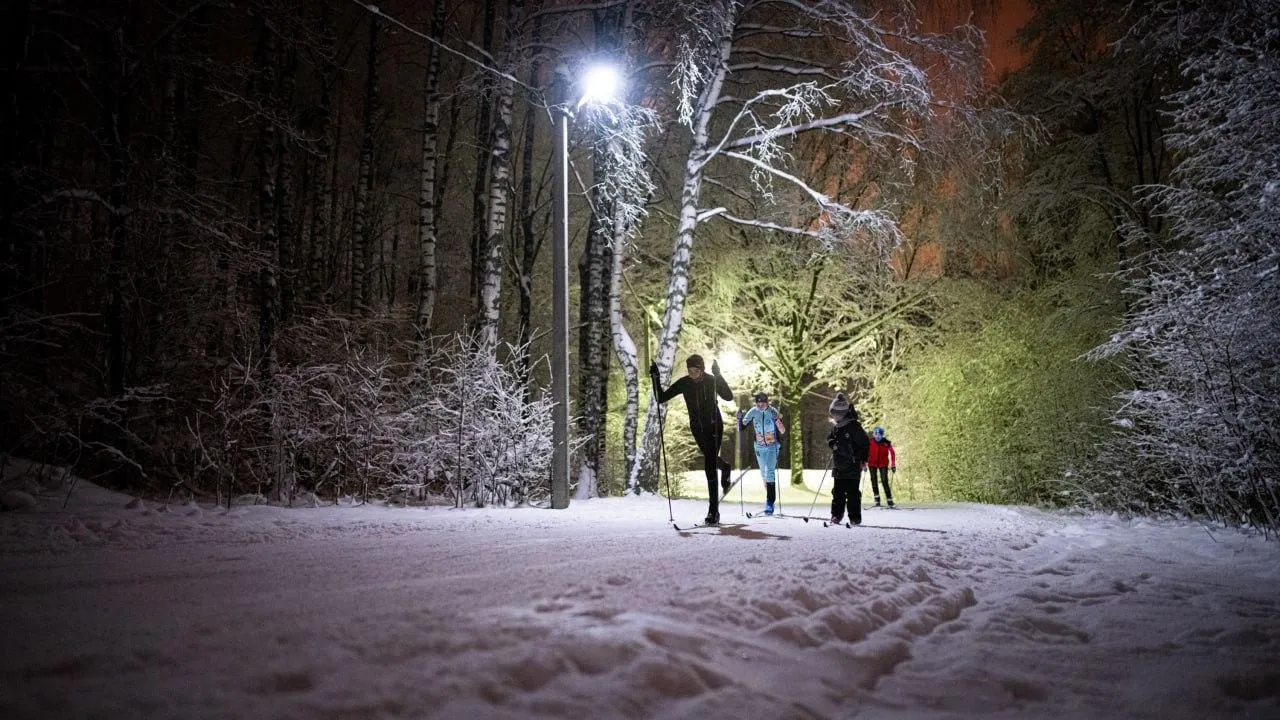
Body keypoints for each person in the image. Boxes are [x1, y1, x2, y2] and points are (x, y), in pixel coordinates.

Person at [650, 354, 734, 524]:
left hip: (713, 425)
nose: (692, 373)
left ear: (702, 369)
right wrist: (655, 378)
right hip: (697, 428)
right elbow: (661, 398)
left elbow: (728, 396)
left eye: (695, 370)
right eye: (689, 370)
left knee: (709, 465)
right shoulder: (684, 383)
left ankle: (713, 512)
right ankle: (725, 467)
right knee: (711, 459)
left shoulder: (712, 381)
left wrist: (719, 375)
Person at [737, 392, 787, 515]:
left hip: (772, 446)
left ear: (767, 402)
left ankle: (770, 503)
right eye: (758, 403)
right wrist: (739, 418)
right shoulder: (753, 411)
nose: (760, 406)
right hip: (759, 447)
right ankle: (769, 497)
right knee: (764, 474)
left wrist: (778, 420)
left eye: (763, 403)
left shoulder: (772, 411)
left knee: (770, 472)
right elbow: (741, 427)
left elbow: (782, 431)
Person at [826, 392, 869, 526]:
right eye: (833, 414)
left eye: (836, 414)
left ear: (842, 413)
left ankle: (854, 518)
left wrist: (863, 459)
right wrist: (832, 443)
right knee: (837, 493)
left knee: (853, 494)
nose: (834, 417)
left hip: (853, 466)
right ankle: (836, 515)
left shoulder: (854, 426)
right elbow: (830, 438)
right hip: (839, 467)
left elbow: (865, 444)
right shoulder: (836, 428)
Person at [866, 425, 897, 507]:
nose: (878, 436)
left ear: (882, 435)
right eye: (876, 434)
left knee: (884, 480)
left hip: (883, 463)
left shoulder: (886, 442)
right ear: (874, 435)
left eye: (880, 435)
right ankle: (877, 500)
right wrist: (864, 463)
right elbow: (865, 452)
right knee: (874, 480)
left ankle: (889, 500)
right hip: (872, 463)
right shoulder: (870, 442)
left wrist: (893, 465)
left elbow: (892, 453)